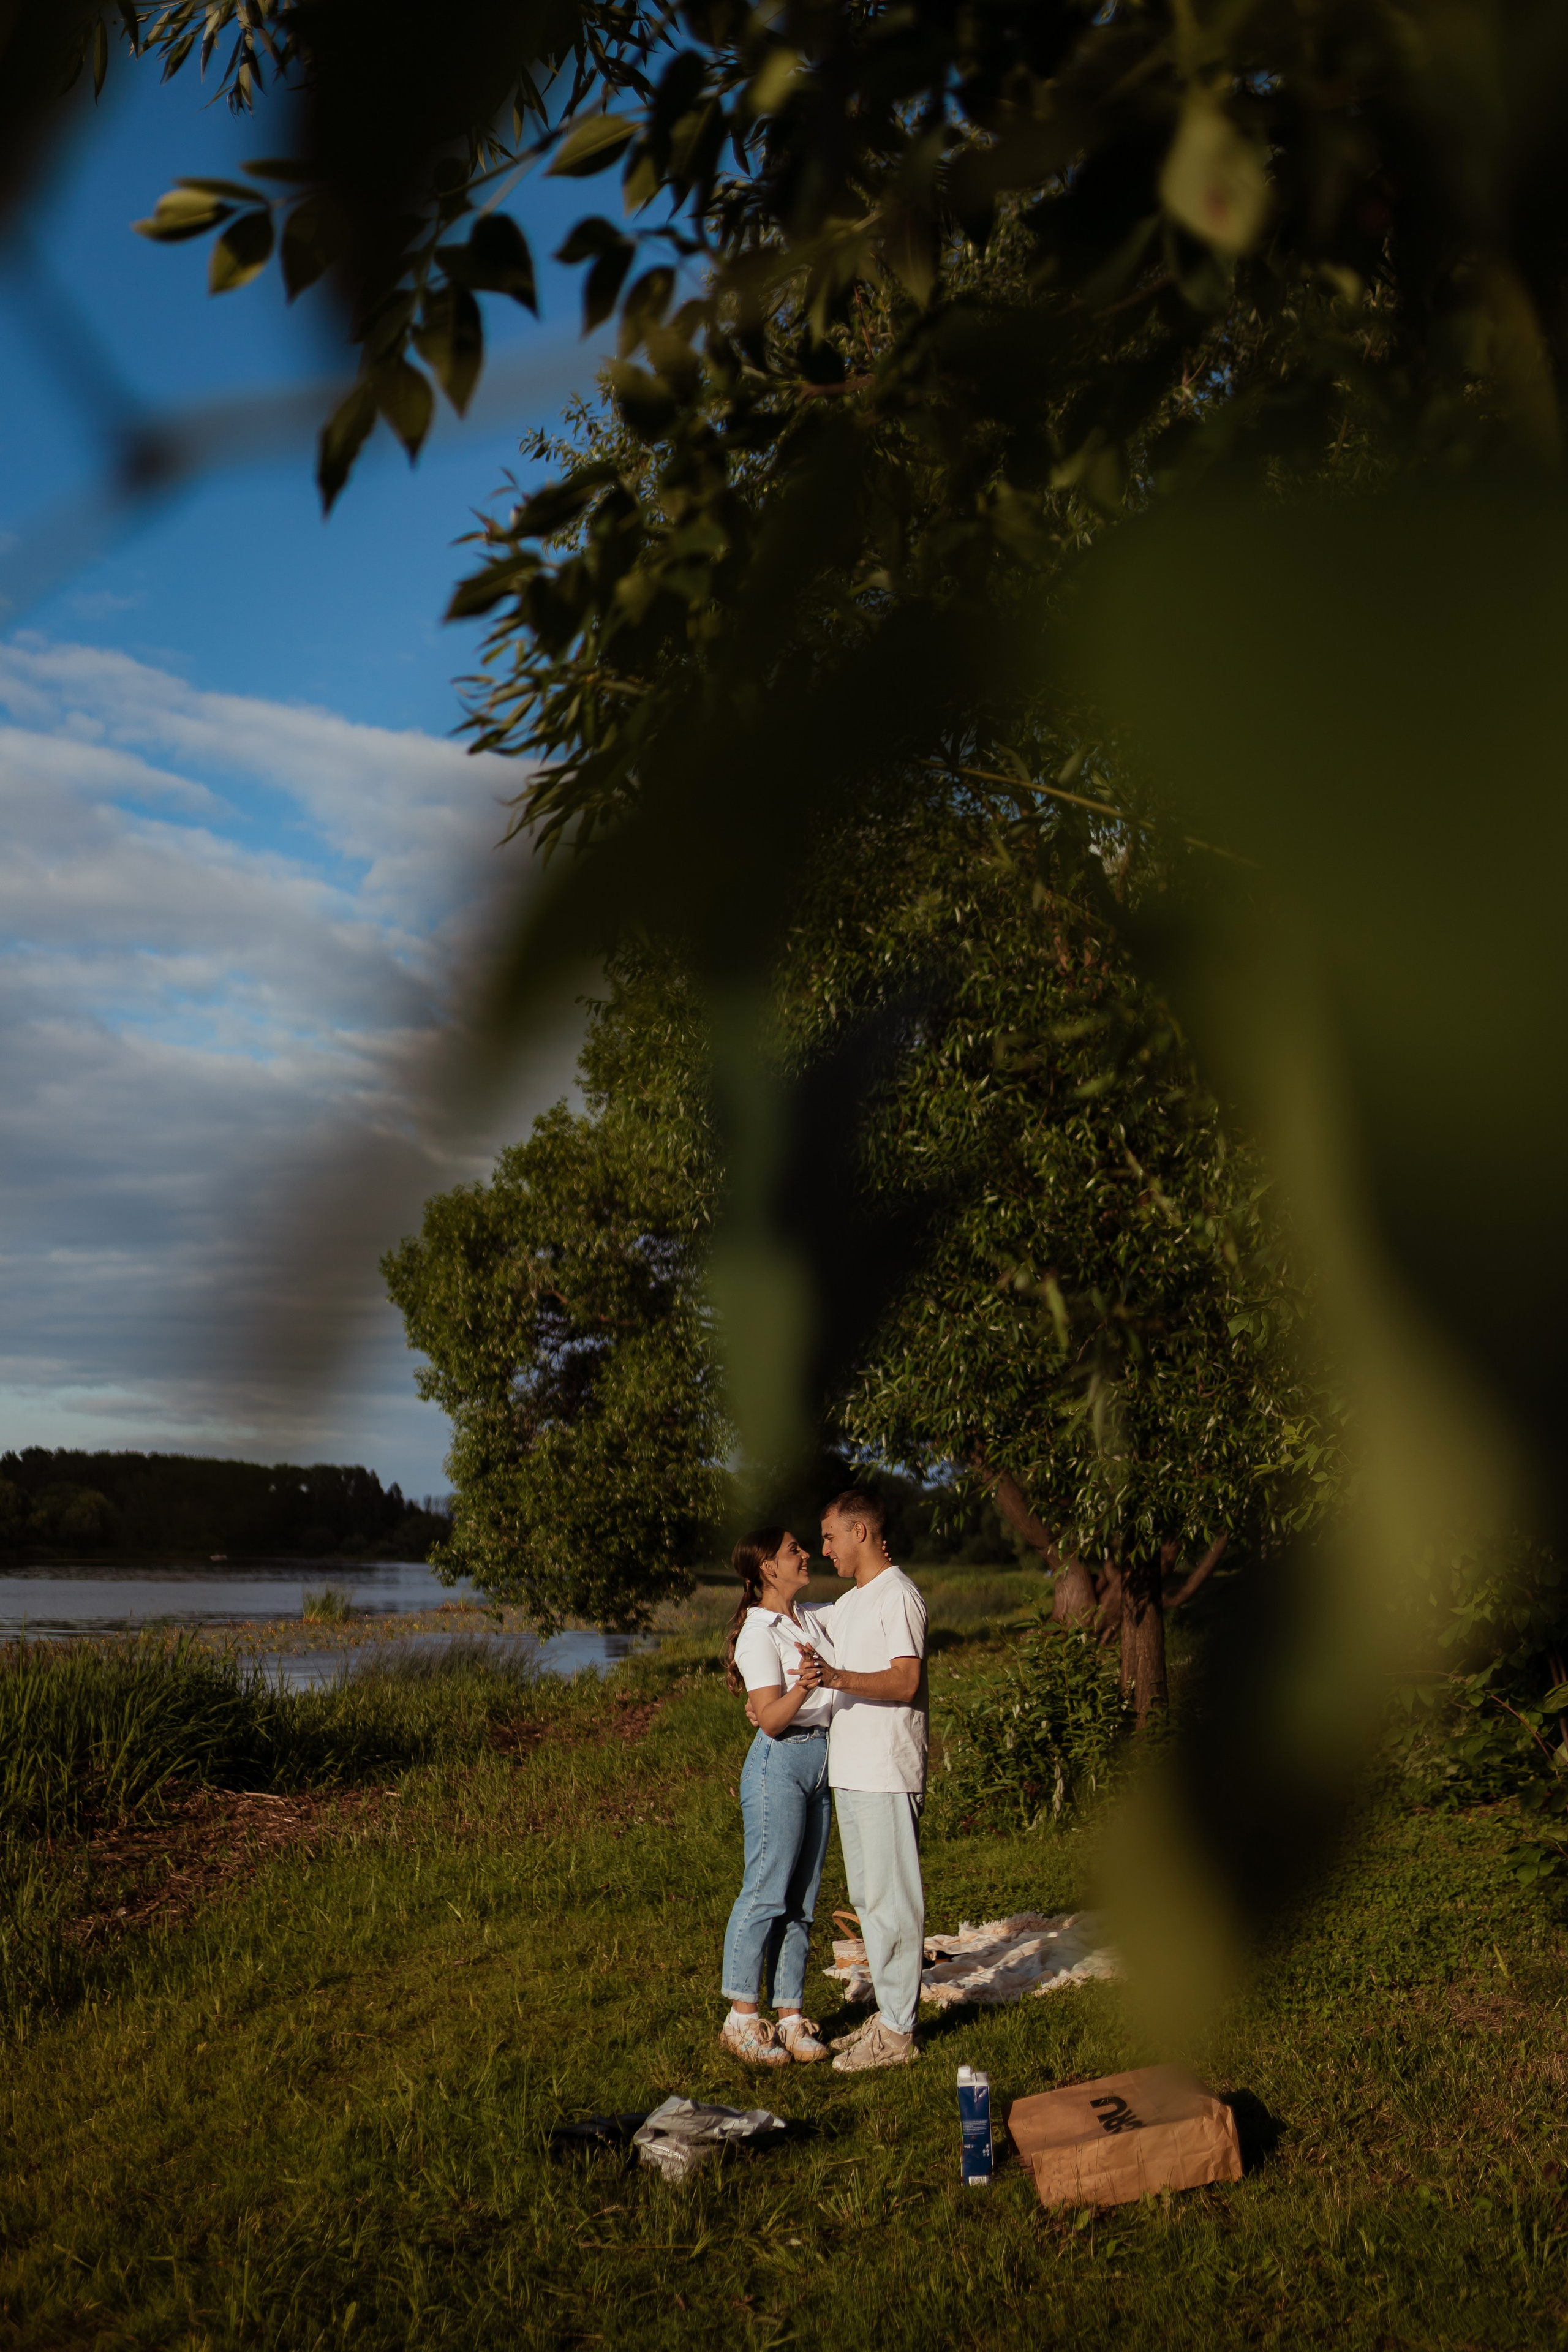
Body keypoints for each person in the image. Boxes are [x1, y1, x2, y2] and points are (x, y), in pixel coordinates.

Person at [802, 1487, 929, 2074]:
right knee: (868, 1900)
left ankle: (900, 2036)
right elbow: (792, 1629)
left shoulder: (896, 1596)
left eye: (829, 1536)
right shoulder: (850, 1604)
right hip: (851, 1771)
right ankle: (889, 2012)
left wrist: (837, 1675)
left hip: (886, 1769)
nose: (823, 1549)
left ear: (861, 1533)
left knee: (893, 1902)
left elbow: (905, 1682)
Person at [718, 1526, 837, 2067]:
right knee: (766, 1891)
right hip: (780, 1763)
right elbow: (768, 1720)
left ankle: (789, 2017)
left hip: (821, 1762)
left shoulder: (810, 1617)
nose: (806, 1553)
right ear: (768, 1567)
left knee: (803, 1901)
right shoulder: (757, 1632)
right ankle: (741, 2019)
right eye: (794, 1550)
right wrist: (803, 1688)